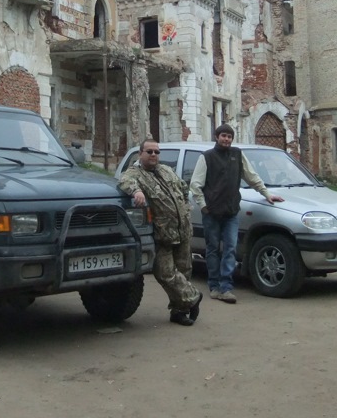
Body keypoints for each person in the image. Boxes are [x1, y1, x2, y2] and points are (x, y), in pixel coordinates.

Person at [189, 124, 284, 303]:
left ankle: (226, 287)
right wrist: (203, 206)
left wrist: (267, 194)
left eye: (229, 137)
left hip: (231, 212)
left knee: (230, 249)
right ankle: (214, 286)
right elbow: (195, 184)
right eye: (223, 136)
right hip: (211, 213)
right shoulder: (207, 157)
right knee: (212, 250)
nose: (226, 139)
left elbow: (251, 176)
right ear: (217, 137)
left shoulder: (237, 155)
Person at [118, 139, 203, 326]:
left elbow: (181, 187)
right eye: (149, 152)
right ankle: (193, 297)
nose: (154, 155)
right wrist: (136, 191)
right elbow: (124, 181)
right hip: (162, 234)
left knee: (184, 271)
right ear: (140, 154)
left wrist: (186, 207)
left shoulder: (166, 170)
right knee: (165, 273)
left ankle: (179, 312)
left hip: (183, 230)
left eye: (156, 152)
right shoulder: (135, 174)